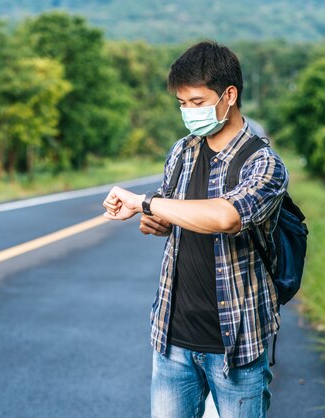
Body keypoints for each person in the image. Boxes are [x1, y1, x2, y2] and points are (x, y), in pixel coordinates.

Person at [102, 41, 288, 418]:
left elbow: (226, 217)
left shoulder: (264, 164)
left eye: (197, 101)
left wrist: (146, 202)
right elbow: (171, 216)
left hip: (236, 343)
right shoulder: (182, 151)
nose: (189, 111)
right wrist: (153, 221)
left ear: (229, 95)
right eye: (182, 103)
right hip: (173, 339)